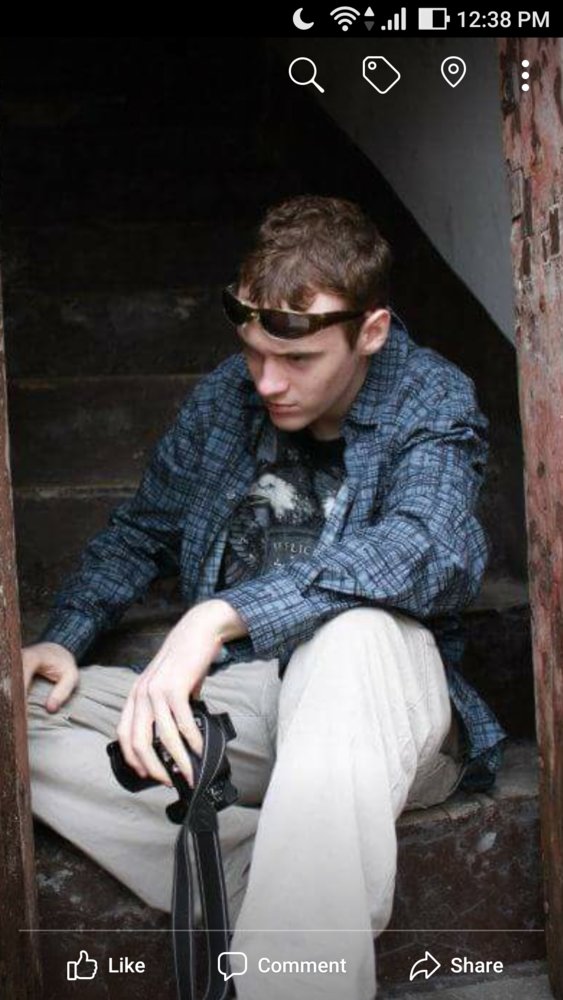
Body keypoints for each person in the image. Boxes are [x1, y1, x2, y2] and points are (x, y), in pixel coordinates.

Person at [24, 194, 507, 1000]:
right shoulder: (229, 395)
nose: (268, 382)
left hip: (376, 703)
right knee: (14, 713)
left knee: (353, 632)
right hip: (239, 704)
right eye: (253, 353)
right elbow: (141, 530)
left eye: (299, 360)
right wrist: (63, 638)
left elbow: (430, 548)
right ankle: (269, 865)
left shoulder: (430, 396)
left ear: (370, 332)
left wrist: (219, 616)